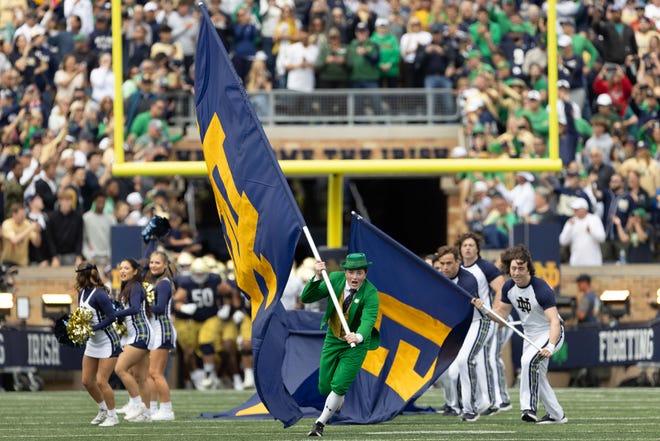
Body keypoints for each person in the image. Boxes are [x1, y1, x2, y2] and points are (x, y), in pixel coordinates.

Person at [472, 244, 567, 424]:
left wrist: (551, 346)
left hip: (549, 333)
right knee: (537, 373)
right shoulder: (508, 288)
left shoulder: (541, 288)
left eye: (521, 268)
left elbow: (554, 321)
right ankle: (557, 415)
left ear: (528, 268)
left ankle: (528, 408)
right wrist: (483, 309)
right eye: (513, 268)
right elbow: (501, 317)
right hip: (529, 336)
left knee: (527, 362)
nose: (516, 272)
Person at [301, 253, 380, 437]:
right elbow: (307, 297)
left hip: (357, 344)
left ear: (365, 274)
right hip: (333, 337)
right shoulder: (334, 279)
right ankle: (338, 397)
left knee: (339, 385)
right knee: (324, 386)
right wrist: (318, 276)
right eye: (351, 272)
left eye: (359, 273)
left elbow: (369, 320)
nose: (354, 277)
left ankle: (319, 424)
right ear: (345, 272)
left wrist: (358, 336)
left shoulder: (371, 293)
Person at [455, 232, 511, 414]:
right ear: (460, 249)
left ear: (477, 248)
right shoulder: (458, 268)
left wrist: (496, 312)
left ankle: (496, 400)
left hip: (486, 320)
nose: (468, 248)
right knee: (472, 360)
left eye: (471, 245)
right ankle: (483, 401)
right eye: (465, 245)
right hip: (466, 322)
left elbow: (502, 289)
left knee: (486, 357)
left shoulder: (485, 267)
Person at [432, 246, 481, 421]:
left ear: (458, 262)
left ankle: (471, 408)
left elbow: (459, 310)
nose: (445, 268)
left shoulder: (468, 280)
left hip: (476, 323)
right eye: (442, 264)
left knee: (464, 361)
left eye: (449, 263)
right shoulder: (438, 278)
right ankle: (455, 405)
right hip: (456, 326)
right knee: (450, 373)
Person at [75, 262, 122, 427]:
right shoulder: (81, 294)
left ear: (84, 275)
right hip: (93, 342)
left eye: (78, 274)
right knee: (87, 381)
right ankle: (102, 410)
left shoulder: (100, 294)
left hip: (108, 341)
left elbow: (112, 317)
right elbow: (82, 316)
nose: (76, 277)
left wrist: (92, 328)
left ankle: (113, 416)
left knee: (102, 381)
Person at [114, 258, 153, 423]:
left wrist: (114, 314)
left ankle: (137, 406)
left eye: (126, 268)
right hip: (138, 334)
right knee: (140, 377)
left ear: (135, 271)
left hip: (141, 334)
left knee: (120, 369)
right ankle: (147, 413)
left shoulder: (136, 286)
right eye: (121, 268)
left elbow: (135, 309)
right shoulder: (127, 288)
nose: (122, 271)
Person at [144, 251, 177, 420]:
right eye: (151, 262)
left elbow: (160, 308)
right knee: (150, 373)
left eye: (157, 263)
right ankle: (152, 408)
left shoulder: (164, 283)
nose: (153, 265)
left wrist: (142, 303)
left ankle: (167, 410)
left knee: (156, 373)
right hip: (155, 329)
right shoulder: (155, 282)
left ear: (165, 265)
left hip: (162, 329)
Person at [559, 198, 606, 266]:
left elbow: (602, 238)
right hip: (576, 261)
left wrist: (591, 231)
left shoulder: (594, 219)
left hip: (593, 262)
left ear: (584, 209)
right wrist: (569, 227)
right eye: (574, 209)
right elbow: (563, 241)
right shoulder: (571, 222)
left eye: (577, 209)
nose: (574, 211)